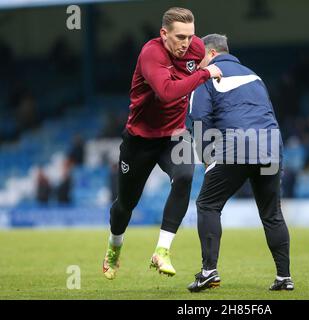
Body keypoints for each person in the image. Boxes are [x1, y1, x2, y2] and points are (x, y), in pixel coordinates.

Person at [102, 7, 223, 280]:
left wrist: (208, 69)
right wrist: (204, 74)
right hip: (140, 140)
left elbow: (204, 70)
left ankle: (162, 250)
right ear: (164, 34)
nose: (187, 43)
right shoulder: (151, 54)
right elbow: (167, 93)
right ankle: (114, 245)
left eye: (191, 37)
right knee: (126, 204)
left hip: (174, 135)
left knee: (185, 176)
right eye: (180, 37)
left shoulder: (196, 49)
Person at [187, 34, 293, 292]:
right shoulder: (254, 76)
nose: (197, 63)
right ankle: (284, 277)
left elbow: (199, 117)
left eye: (199, 56)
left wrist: (207, 155)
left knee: (208, 204)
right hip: (270, 144)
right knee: (272, 213)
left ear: (211, 53)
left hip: (236, 145)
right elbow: (268, 114)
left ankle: (209, 271)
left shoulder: (207, 75)